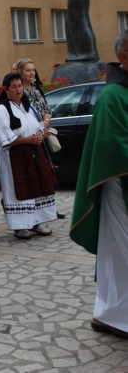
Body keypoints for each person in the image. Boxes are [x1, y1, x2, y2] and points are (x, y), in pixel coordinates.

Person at [70, 29, 128, 339]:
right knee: (121, 251)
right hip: (121, 189)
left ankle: (112, 314)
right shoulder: (112, 96)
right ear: (124, 56)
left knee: (119, 256)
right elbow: (115, 145)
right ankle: (114, 315)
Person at [0, 73, 56, 240]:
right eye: (14, 86)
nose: (18, 89)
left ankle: (36, 221)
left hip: (33, 153)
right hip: (15, 155)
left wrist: (40, 135)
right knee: (17, 187)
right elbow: (4, 136)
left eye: (20, 86)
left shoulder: (29, 107)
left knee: (36, 184)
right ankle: (19, 226)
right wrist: (27, 139)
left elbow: (39, 125)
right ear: (6, 90)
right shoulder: (2, 110)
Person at [16, 57, 65, 221]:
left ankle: (50, 208)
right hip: (31, 135)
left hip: (43, 133)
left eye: (33, 70)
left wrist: (45, 124)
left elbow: (47, 109)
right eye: (27, 70)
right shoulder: (19, 90)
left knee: (48, 171)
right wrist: (39, 128)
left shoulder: (36, 88)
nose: (31, 73)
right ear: (20, 72)